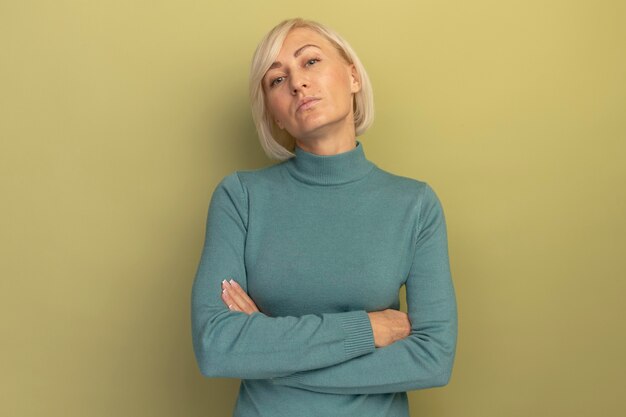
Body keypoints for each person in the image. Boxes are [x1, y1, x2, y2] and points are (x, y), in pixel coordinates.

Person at [191, 17, 458, 417]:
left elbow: (432, 357)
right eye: (276, 80)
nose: (297, 83)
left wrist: (270, 358)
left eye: (310, 62)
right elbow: (216, 345)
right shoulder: (240, 197)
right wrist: (367, 329)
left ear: (353, 76)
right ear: (276, 115)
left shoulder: (414, 205)